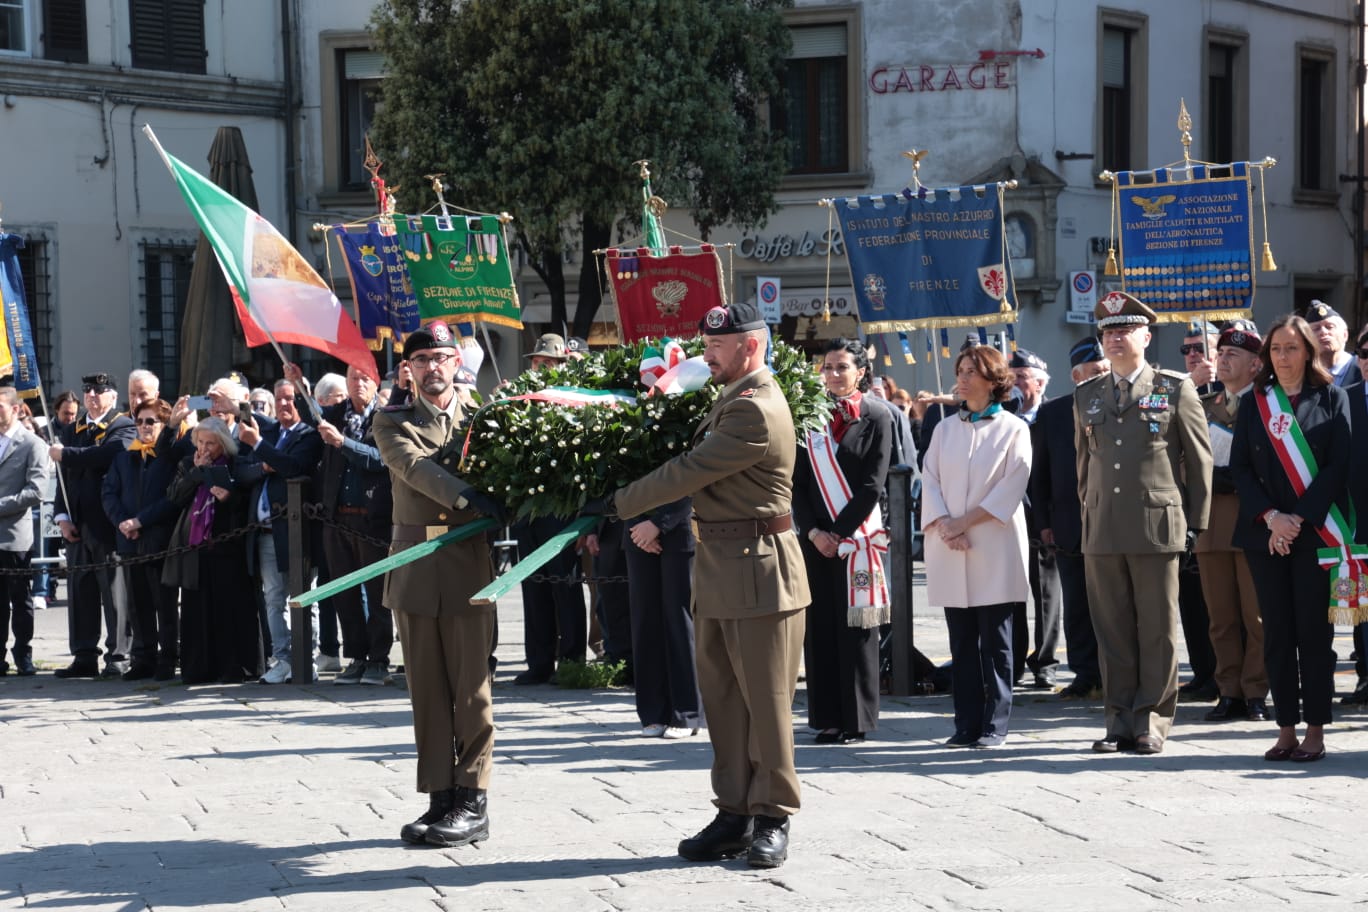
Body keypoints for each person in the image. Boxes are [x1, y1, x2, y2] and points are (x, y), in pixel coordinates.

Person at [600, 302, 809, 869]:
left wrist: (617, 501)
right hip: (722, 563)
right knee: (723, 701)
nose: (706, 353)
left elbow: (690, 470)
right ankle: (734, 810)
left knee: (765, 703)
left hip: (760, 566)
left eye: (718, 345)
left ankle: (772, 816)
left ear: (752, 346)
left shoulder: (755, 408)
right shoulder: (730, 399)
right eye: (705, 343)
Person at [372, 319, 505, 849]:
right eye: (422, 361)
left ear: (458, 364)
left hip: (469, 564)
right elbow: (417, 469)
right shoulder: (391, 421)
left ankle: (473, 798)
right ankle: (440, 795)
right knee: (427, 691)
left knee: (472, 689)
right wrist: (472, 496)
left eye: (442, 359)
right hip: (417, 566)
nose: (433, 369)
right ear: (409, 371)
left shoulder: (484, 419)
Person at [1075, 291, 1212, 755]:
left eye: (1124, 330)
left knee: (1155, 628)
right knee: (1111, 629)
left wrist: (1195, 526)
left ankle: (1151, 720)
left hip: (1157, 525)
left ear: (1146, 337)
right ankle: (1117, 720)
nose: (1114, 339)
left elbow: (1198, 461)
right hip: (1103, 528)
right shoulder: (1087, 394)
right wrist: (1089, 515)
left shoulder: (1174, 388)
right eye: (1108, 332)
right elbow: (1083, 467)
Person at [1231, 313, 1354, 763]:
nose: (1283, 358)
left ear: (1308, 351)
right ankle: (1286, 728)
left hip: (1313, 533)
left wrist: (1297, 519)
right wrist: (1271, 517)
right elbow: (1240, 467)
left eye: (1292, 348)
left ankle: (1316, 729)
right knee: (1277, 634)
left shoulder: (1332, 397)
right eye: (1276, 349)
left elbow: (1338, 466)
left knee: (1313, 634)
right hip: (1266, 535)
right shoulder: (1255, 402)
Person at [922, 345, 1032, 748]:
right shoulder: (945, 428)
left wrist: (964, 522)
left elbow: (1013, 483)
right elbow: (929, 478)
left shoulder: (1013, 428)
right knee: (962, 641)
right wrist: (946, 527)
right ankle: (965, 722)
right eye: (961, 370)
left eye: (973, 371)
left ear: (993, 380)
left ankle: (995, 723)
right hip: (951, 545)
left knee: (996, 641)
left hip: (992, 541)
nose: (964, 378)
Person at [792, 337, 892, 745]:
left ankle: (856, 718)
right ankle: (826, 717)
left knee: (856, 627)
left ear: (860, 371)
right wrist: (814, 532)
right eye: (827, 367)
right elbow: (797, 483)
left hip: (857, 538)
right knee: (821, 627)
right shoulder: (808, 416)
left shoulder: (877, 416)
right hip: (816, 540)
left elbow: (873, 484)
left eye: (841, 367)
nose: (832, 375)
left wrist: (839, 533)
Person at [1194, 321, 1268, 722]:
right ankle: (1229, 691)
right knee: (1220, 617)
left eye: (1233, 355)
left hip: (1254, 520)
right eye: (1220, 354)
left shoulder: (1268, 405)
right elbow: (1185, 460)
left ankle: (1256, 690)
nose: (1222, 360)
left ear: (1256, 365)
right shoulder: (1203, 406)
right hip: (1213, 523)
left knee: (1256, 616)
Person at [1030, 339, 1108, 700]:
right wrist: (1044, 522)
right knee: (1077, 605)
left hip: (1114, 524)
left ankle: (1117, 673)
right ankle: (1085, 673)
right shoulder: (1054, 413)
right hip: (1069, 525)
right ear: (1076, 376)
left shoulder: (1123, 407)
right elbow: (1040, 474)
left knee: (1116, 605)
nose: (1102, 377)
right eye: (1094, 372)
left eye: (1106, 371)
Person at [308, 363, 394, 686]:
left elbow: (380, 459)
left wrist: (343, 443)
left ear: (375, 383)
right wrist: (298, 382)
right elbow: (309, 420)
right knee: (344, 592)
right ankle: (356, 656)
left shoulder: (385, 417)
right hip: (338, 518)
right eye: (352, 378)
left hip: (372, 519)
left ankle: (379, 659)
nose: (357, 384)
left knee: (377, 594)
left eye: (364, 378)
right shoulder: (335, 415)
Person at [161, 418, 263, 685]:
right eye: (201, 442)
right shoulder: (188, 463)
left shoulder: (234, 463)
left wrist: (228, 498)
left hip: (227, 548)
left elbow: (245, 503)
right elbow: (174, 497)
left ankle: (231, 666)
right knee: (196, 610)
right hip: (195, 548)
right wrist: (196, 472)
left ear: (223, 444)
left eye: (211, 443)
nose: (205, 448)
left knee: (227, 609)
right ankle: (198, 668)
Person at [51, 372, 136, 678]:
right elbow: (64, 480)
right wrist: (61, 517)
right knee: (80, 592)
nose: (93, 396)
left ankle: (119, 654)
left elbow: (105, 455)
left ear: (112, 396)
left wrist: (66, 454)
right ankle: (84, 654)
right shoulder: (76, 428)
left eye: (100, 391)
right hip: (78, 523)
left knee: (115, 594)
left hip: (106, 524)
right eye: (88, 391)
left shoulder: (122, 425)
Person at [512, 332, 586, 684]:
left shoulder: (573, 401)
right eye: (536, 362)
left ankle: (571, 660)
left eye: (547, 363)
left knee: (565, 586)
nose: (540, 368)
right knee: (533, 586)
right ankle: (538, 662)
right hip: (528, 510)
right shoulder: (520, 402)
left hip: (562, 509)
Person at [239, 379, 323, 684]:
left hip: (296, 530)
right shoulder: (270, 431)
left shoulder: (308, 436)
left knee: (304, 595)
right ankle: (283, 658)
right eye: (280, 399)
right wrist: (263, 463)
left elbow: (293, 466)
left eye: (291, 399)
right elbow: (243, 470)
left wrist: (260, 448)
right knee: (273, 598)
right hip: (264, 531)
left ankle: (306, 657)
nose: (285, 404)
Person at [101, 398, 180, 681]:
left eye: (151, 421)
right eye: (139, 421)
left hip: (158, 539)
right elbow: (109, 492)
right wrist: (122, 521)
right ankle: (143, 656)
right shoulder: (124, 457)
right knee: (137, 602)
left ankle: (168, 657)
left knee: (164, 602)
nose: (144, 427)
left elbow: (172, 498)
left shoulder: (169, 458)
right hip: (129, 540)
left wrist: (141, 521)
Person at [622, 494, 700, 737]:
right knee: (645, 620)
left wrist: (658, 524)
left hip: (679, 526)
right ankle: (653, 712)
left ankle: (687, 713)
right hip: (636, 528)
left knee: (679, 621)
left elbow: (693, 478)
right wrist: (639, 526)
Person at [1008, 348, 1061, 690]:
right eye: (1011, 378)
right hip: (1006, 517)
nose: (1015, 385)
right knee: (1010, 592)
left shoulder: (1053, 417)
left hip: (1042, 517)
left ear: (1040, 383)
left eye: (1022, 378)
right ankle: (1011, 660)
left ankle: (1044, 661)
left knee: (1045, 593)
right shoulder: (1003, 417)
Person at [0, 386, 50, 677]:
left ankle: (24, 654)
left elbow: (36, 491)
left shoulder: (32, 444)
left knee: (21, 600)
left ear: (16, 409)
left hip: (15, 538)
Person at [1343, 327, 1368, 706]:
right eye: (1363, 351)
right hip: (1355, 520)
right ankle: (1366, 674)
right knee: (1358, 603)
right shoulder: (1342, 399)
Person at [1305, 301, 1358, 389]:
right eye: (1316, 329)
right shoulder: (1304, 375)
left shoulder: (1362, 368)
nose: (1323, 332)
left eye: (1329, 327)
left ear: (1345, 335)